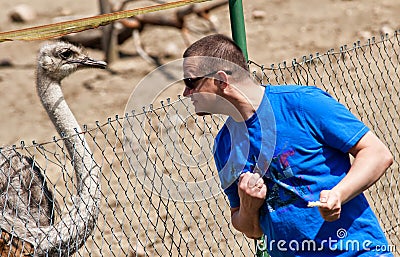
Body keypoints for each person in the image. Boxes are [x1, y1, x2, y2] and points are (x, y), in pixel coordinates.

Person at [182, 34, 394, 256]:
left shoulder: (302, 104)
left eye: (190, 82)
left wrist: (339, 195)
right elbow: (251, 230)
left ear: (221, 80)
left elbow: (377, 153)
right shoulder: (224, 145)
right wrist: (248, 206)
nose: (186, 93)